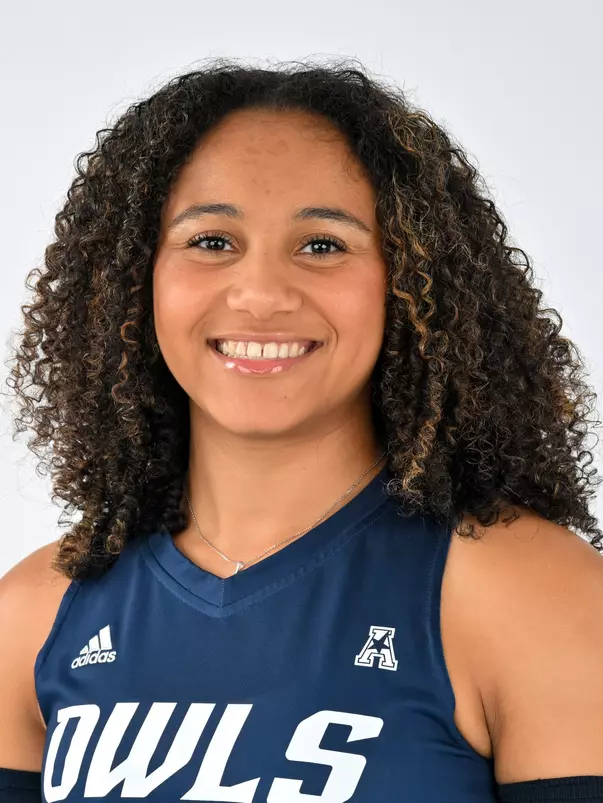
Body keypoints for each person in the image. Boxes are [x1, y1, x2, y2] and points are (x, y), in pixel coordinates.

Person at [1, 57, 602, 803]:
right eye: (210, 240)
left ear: (411, 282)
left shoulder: (529, 594)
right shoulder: (35, 613)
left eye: (322, 244)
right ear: (134, 279)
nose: (259, 294)